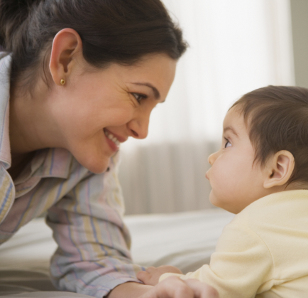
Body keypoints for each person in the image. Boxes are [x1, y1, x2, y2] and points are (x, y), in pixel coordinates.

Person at [0, 0, 219, 298]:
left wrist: (146, 295)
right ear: (66, 58)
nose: (142, 131)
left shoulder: (86, 151)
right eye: (139, 96)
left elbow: (94, 259)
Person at [137, 85, 308, 298]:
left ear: (277, 169)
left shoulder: (253, 227)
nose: (212, 157)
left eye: (228, 143)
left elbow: (214, 291)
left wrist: (167, 279)